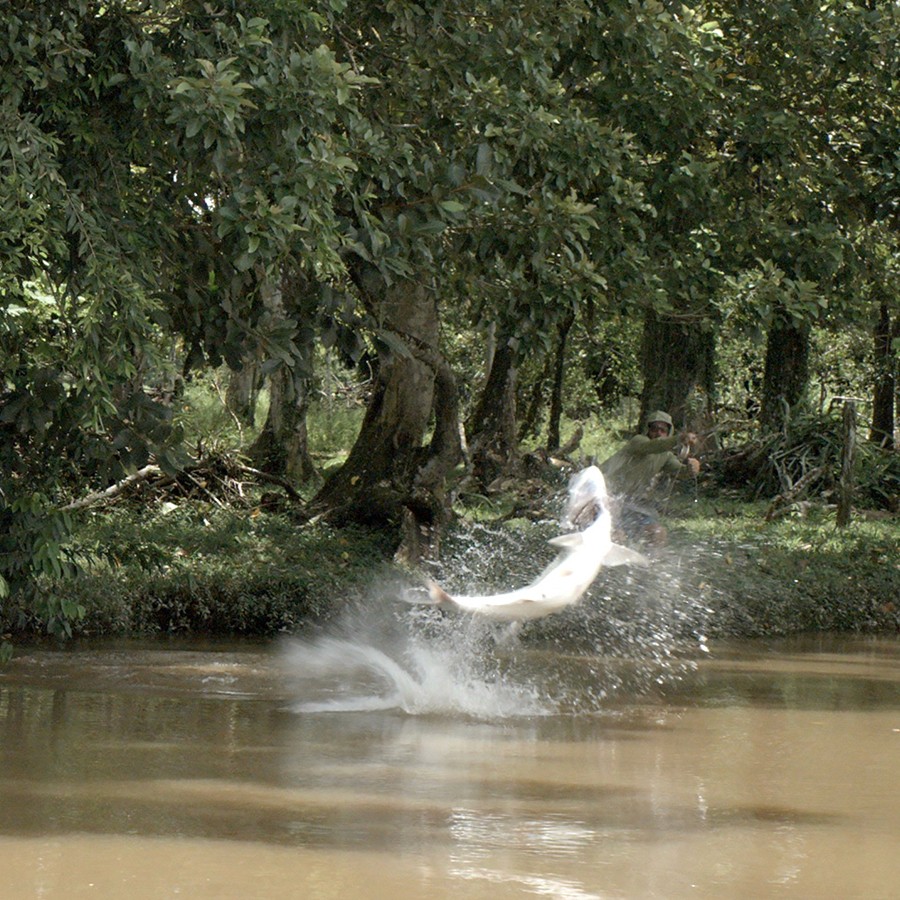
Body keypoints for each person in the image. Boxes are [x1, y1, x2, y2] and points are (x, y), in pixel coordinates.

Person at [599, 410, 700, 547]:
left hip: (633, 503)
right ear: (647, 430)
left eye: (663, 430)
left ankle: (652, 566)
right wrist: (679, 438)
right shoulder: (638, 442)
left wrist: (691, 468)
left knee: (658, 533)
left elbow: (679, 471)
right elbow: (653, 446)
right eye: (654, 429)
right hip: (607, 496)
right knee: (617, 536)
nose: (658, 433)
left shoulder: (666, 455)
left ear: (668, 432)